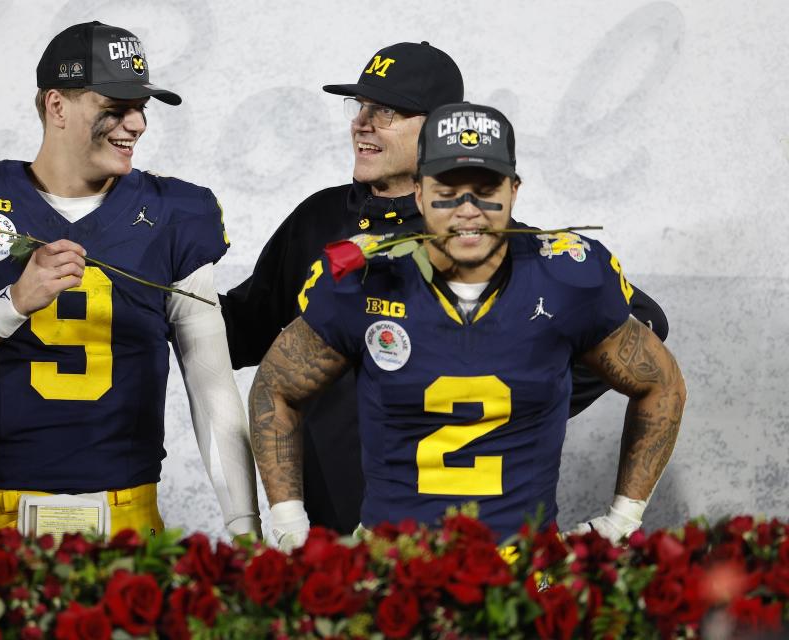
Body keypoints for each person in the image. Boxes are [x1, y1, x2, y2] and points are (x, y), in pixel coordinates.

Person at [221, 42, 668, 539]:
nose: (362, 123)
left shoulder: (491, 240)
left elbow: (643, 328)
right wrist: (159, 304)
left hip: (472, 522)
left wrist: (515, 396)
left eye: (384, 111)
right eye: (360, 107)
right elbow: (247, 330)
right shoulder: (320, 218)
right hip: (336, 521)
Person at [0, 21, 260, 539]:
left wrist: (245, 527)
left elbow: (211, 385)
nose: (137, 124)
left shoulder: (176, 213)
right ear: (57, 105)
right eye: (116, 107)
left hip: (128, 516)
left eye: (141, 109)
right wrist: (13, 302)